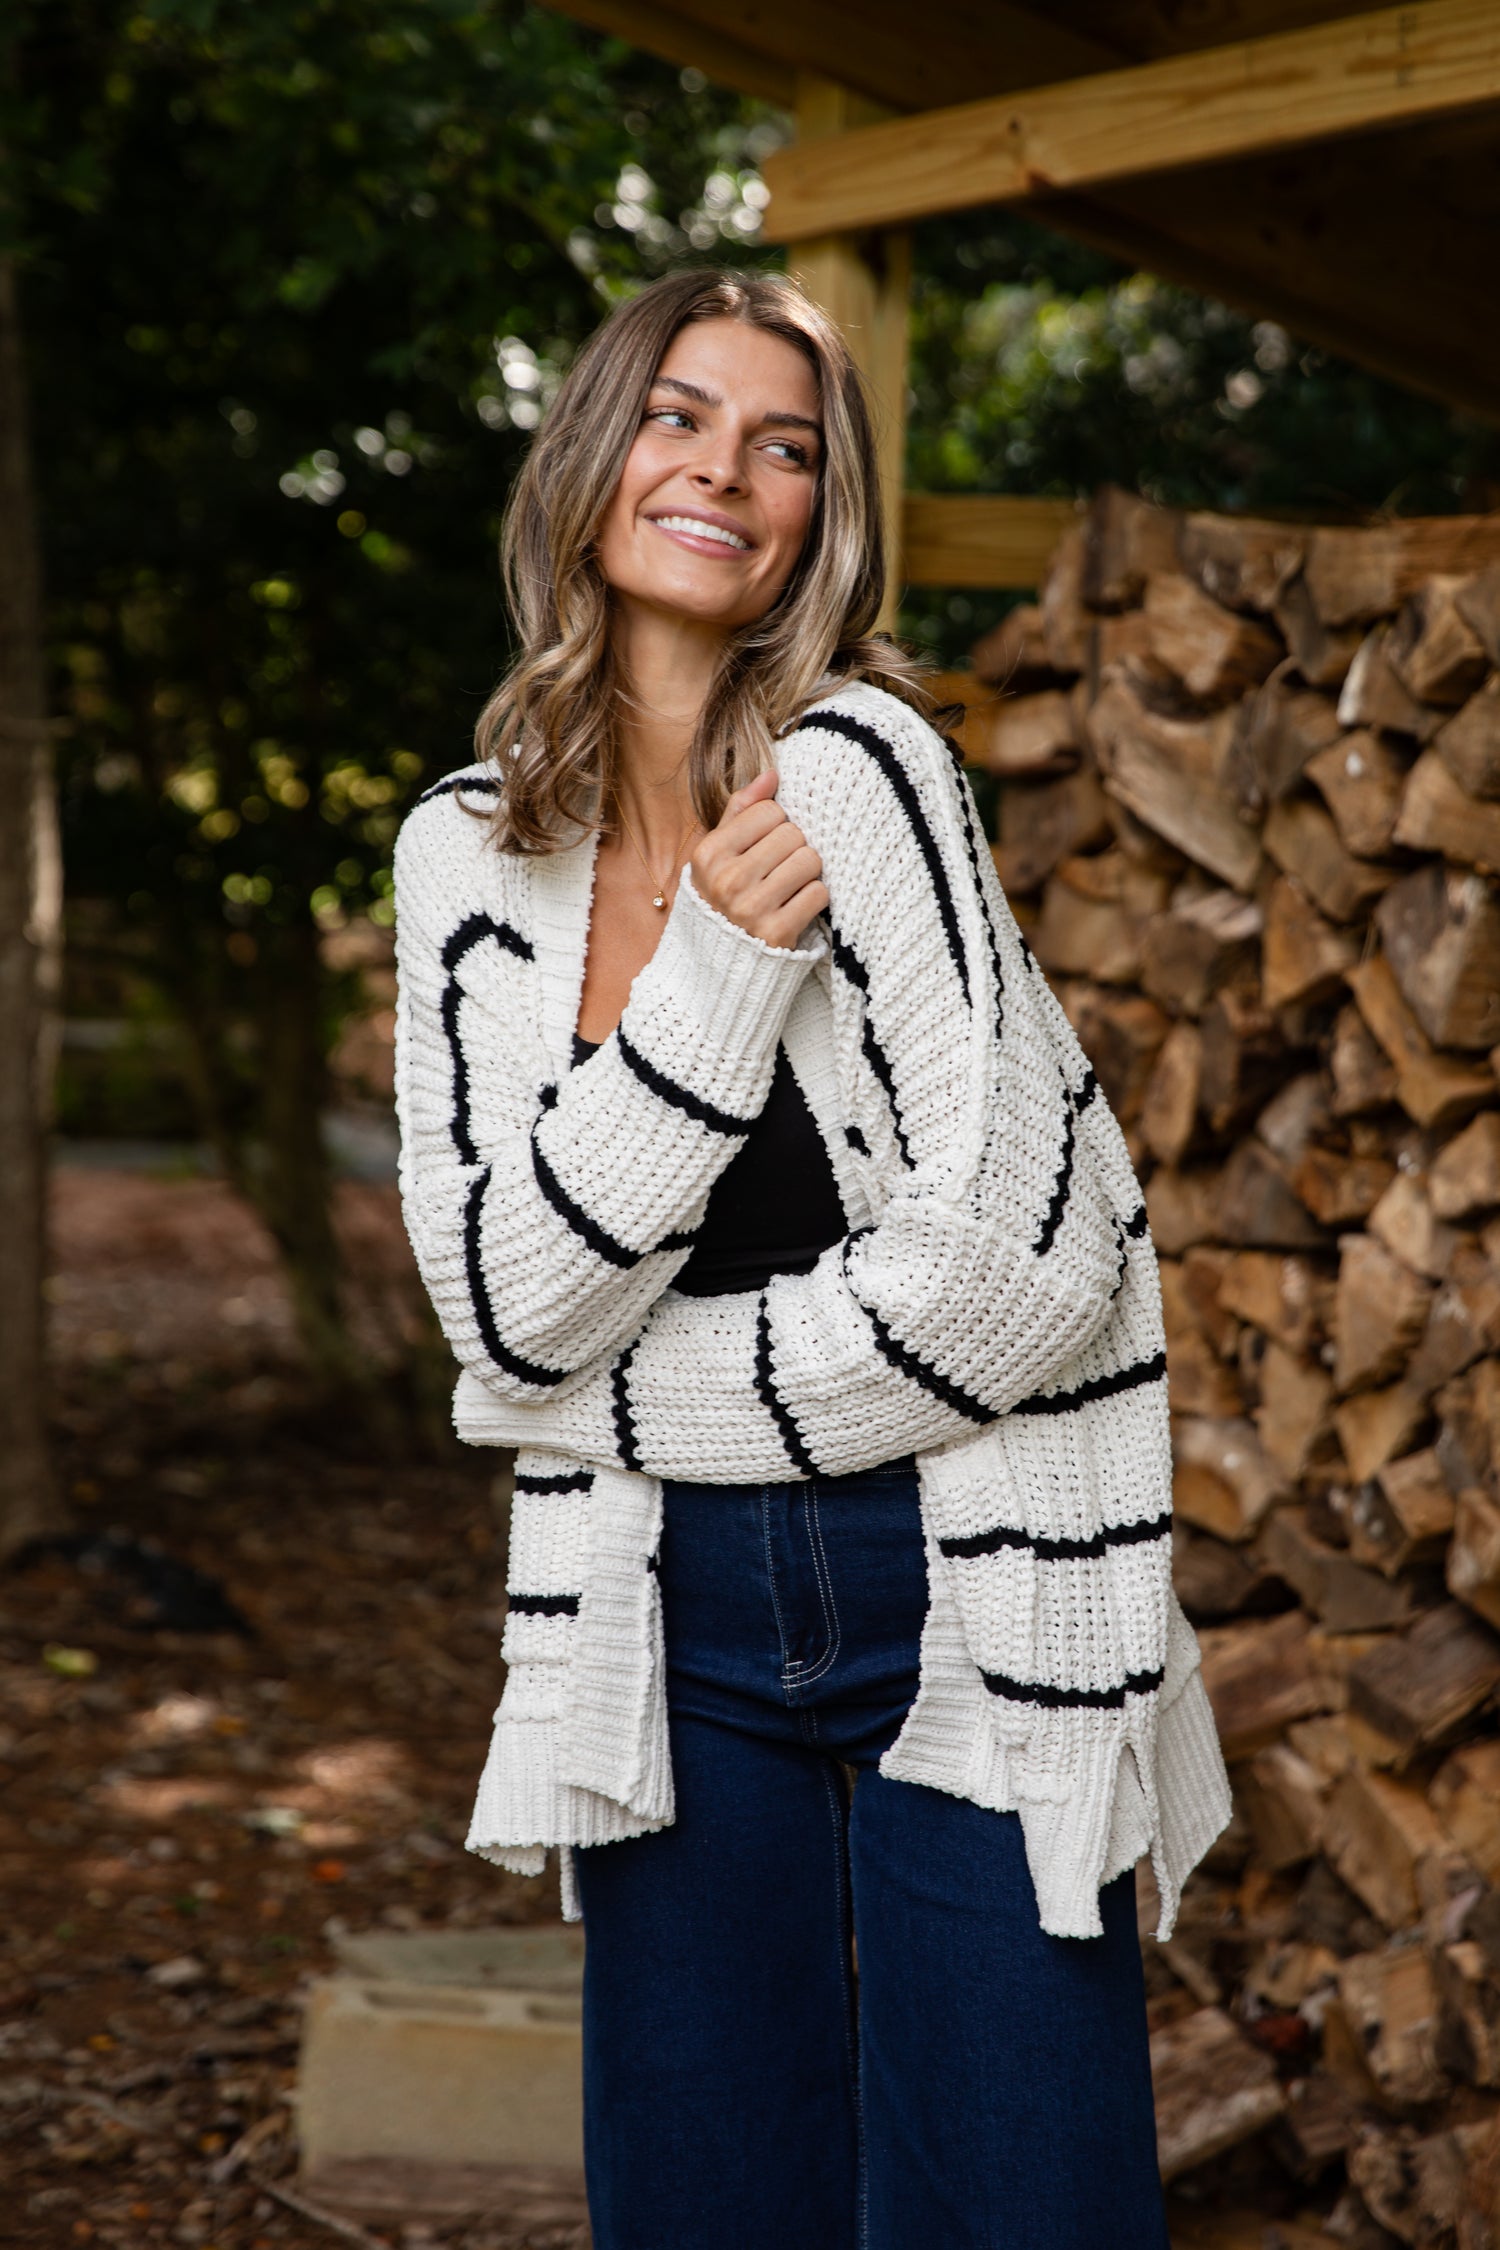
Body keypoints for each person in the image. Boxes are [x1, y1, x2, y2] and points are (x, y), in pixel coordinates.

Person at [393, 267, 1231, 2250]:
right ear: (595, 454)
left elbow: (1034, 1260)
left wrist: (623, 1380)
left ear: (814, 520)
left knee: (1030, 2186)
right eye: (681, 416)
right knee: (707, 2189)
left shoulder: (866, 773)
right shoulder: (467, 850)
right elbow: (498, 1305)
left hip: (966, 1567)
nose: (727, 470)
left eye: (785, 445)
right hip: (655, 1607)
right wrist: (720, 976)